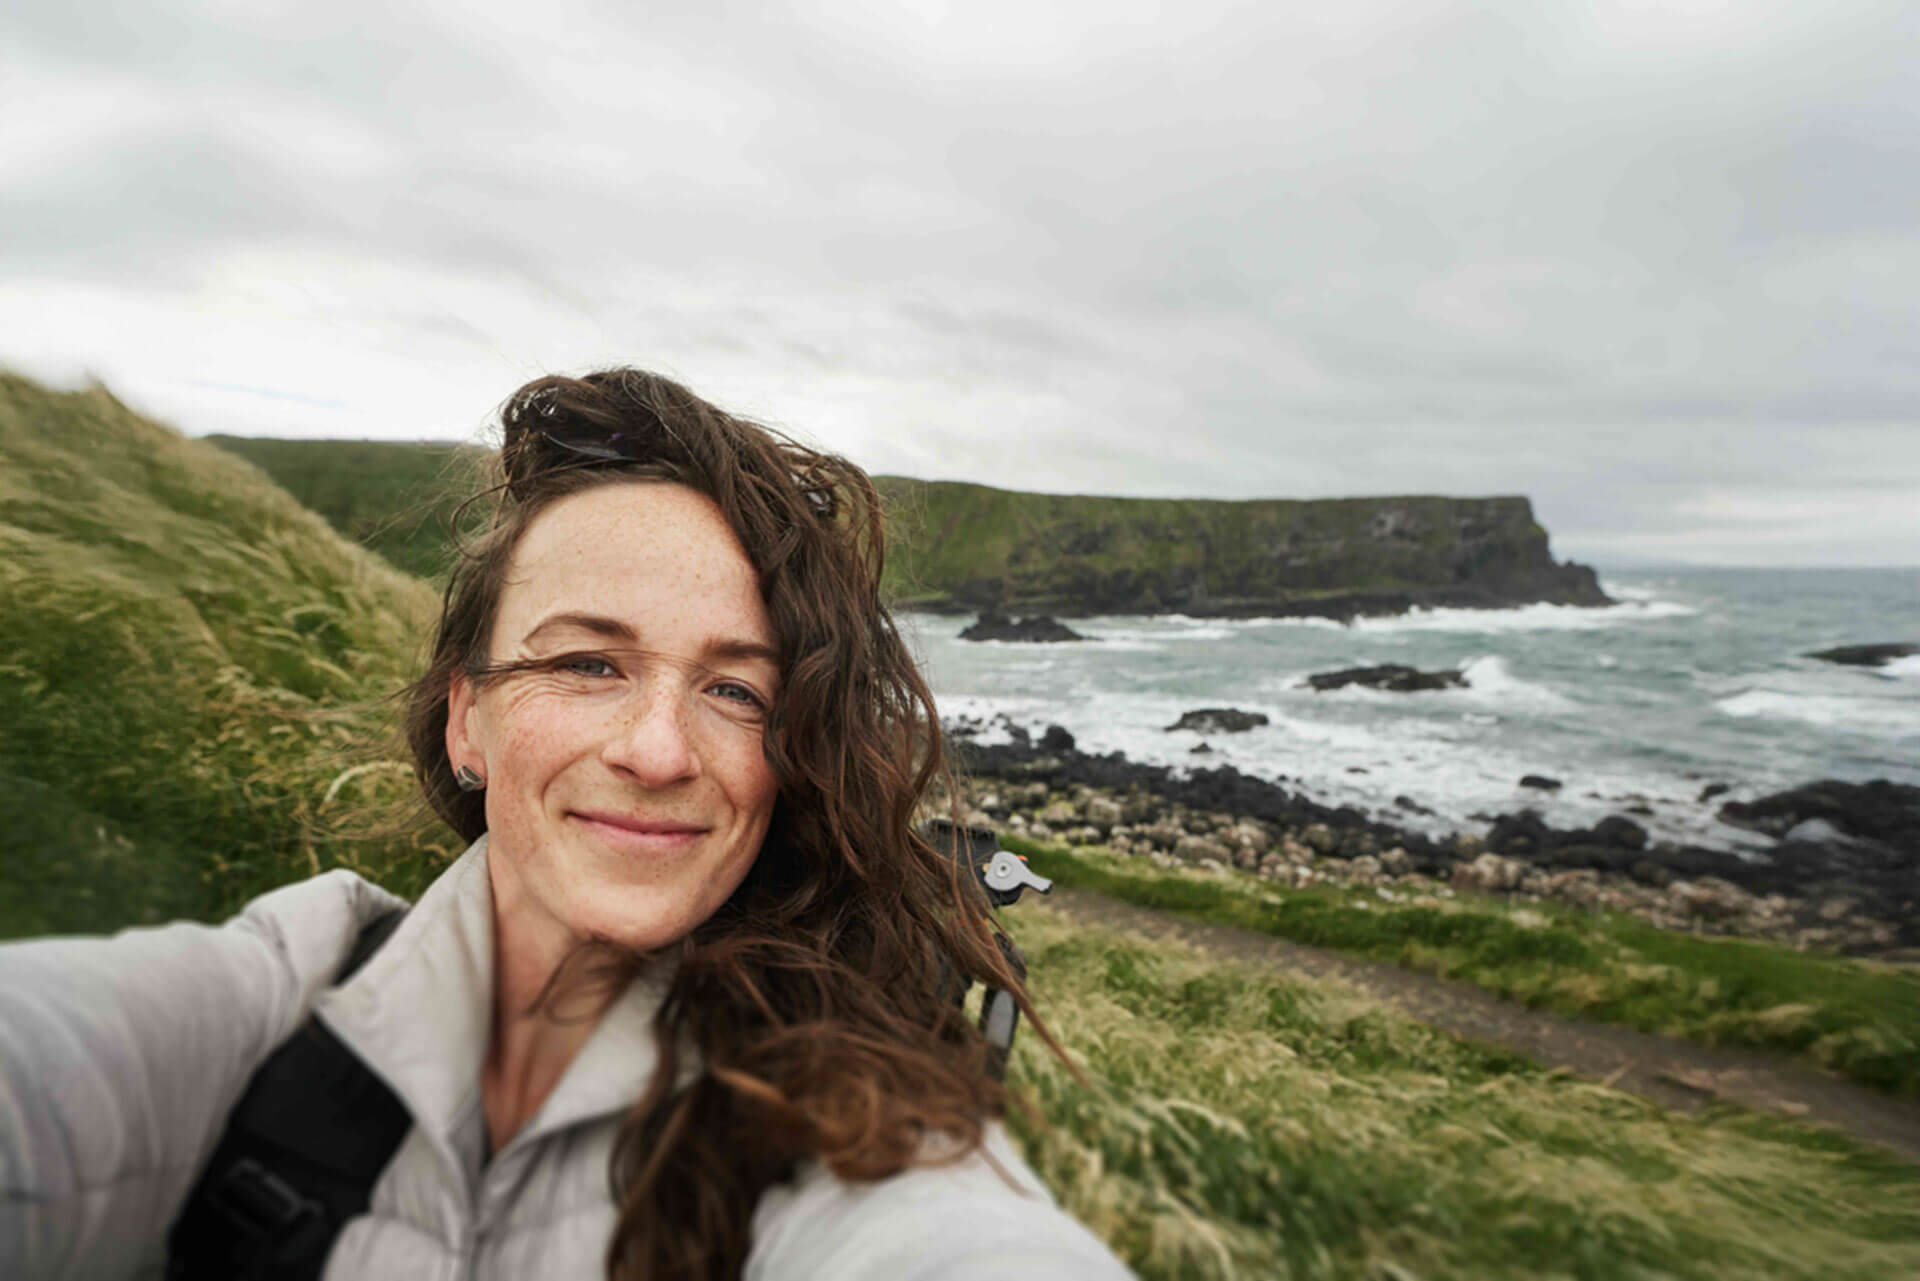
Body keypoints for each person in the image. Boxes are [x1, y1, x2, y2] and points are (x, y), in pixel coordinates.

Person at [0, 368, 1134, 1280]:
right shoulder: (271, 1000)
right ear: (468, 721)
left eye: (738, 689)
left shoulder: (842, 1131)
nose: (658, 750)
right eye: (588, 662)